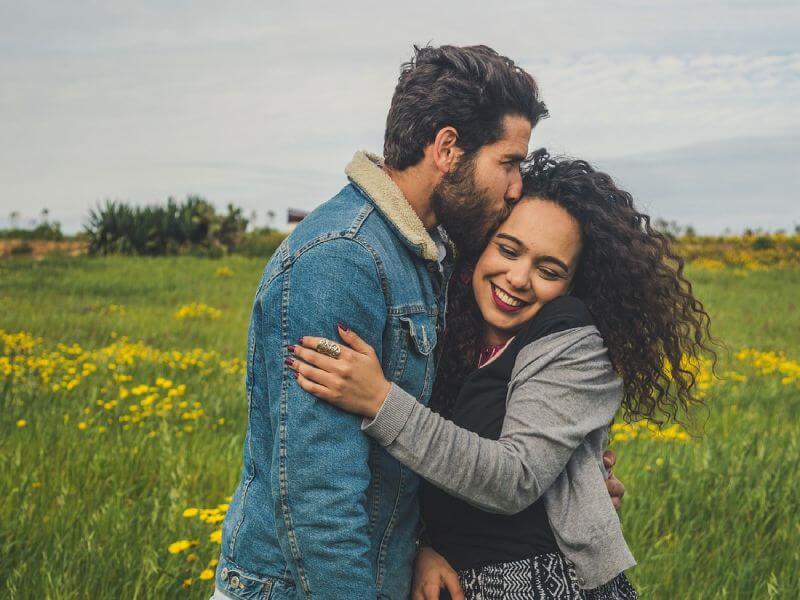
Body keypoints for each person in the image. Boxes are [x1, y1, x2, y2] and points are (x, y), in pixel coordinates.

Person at [288, 150, 714, 599]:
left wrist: (379, 400)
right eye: (508, 250)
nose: (518, 277)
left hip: (547, 585)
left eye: (549, 270)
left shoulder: (574, 339)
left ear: (572, 285)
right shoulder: (445, 333)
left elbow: (513, 478)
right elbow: (424, 471)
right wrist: (422, 547)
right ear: (479, 247)